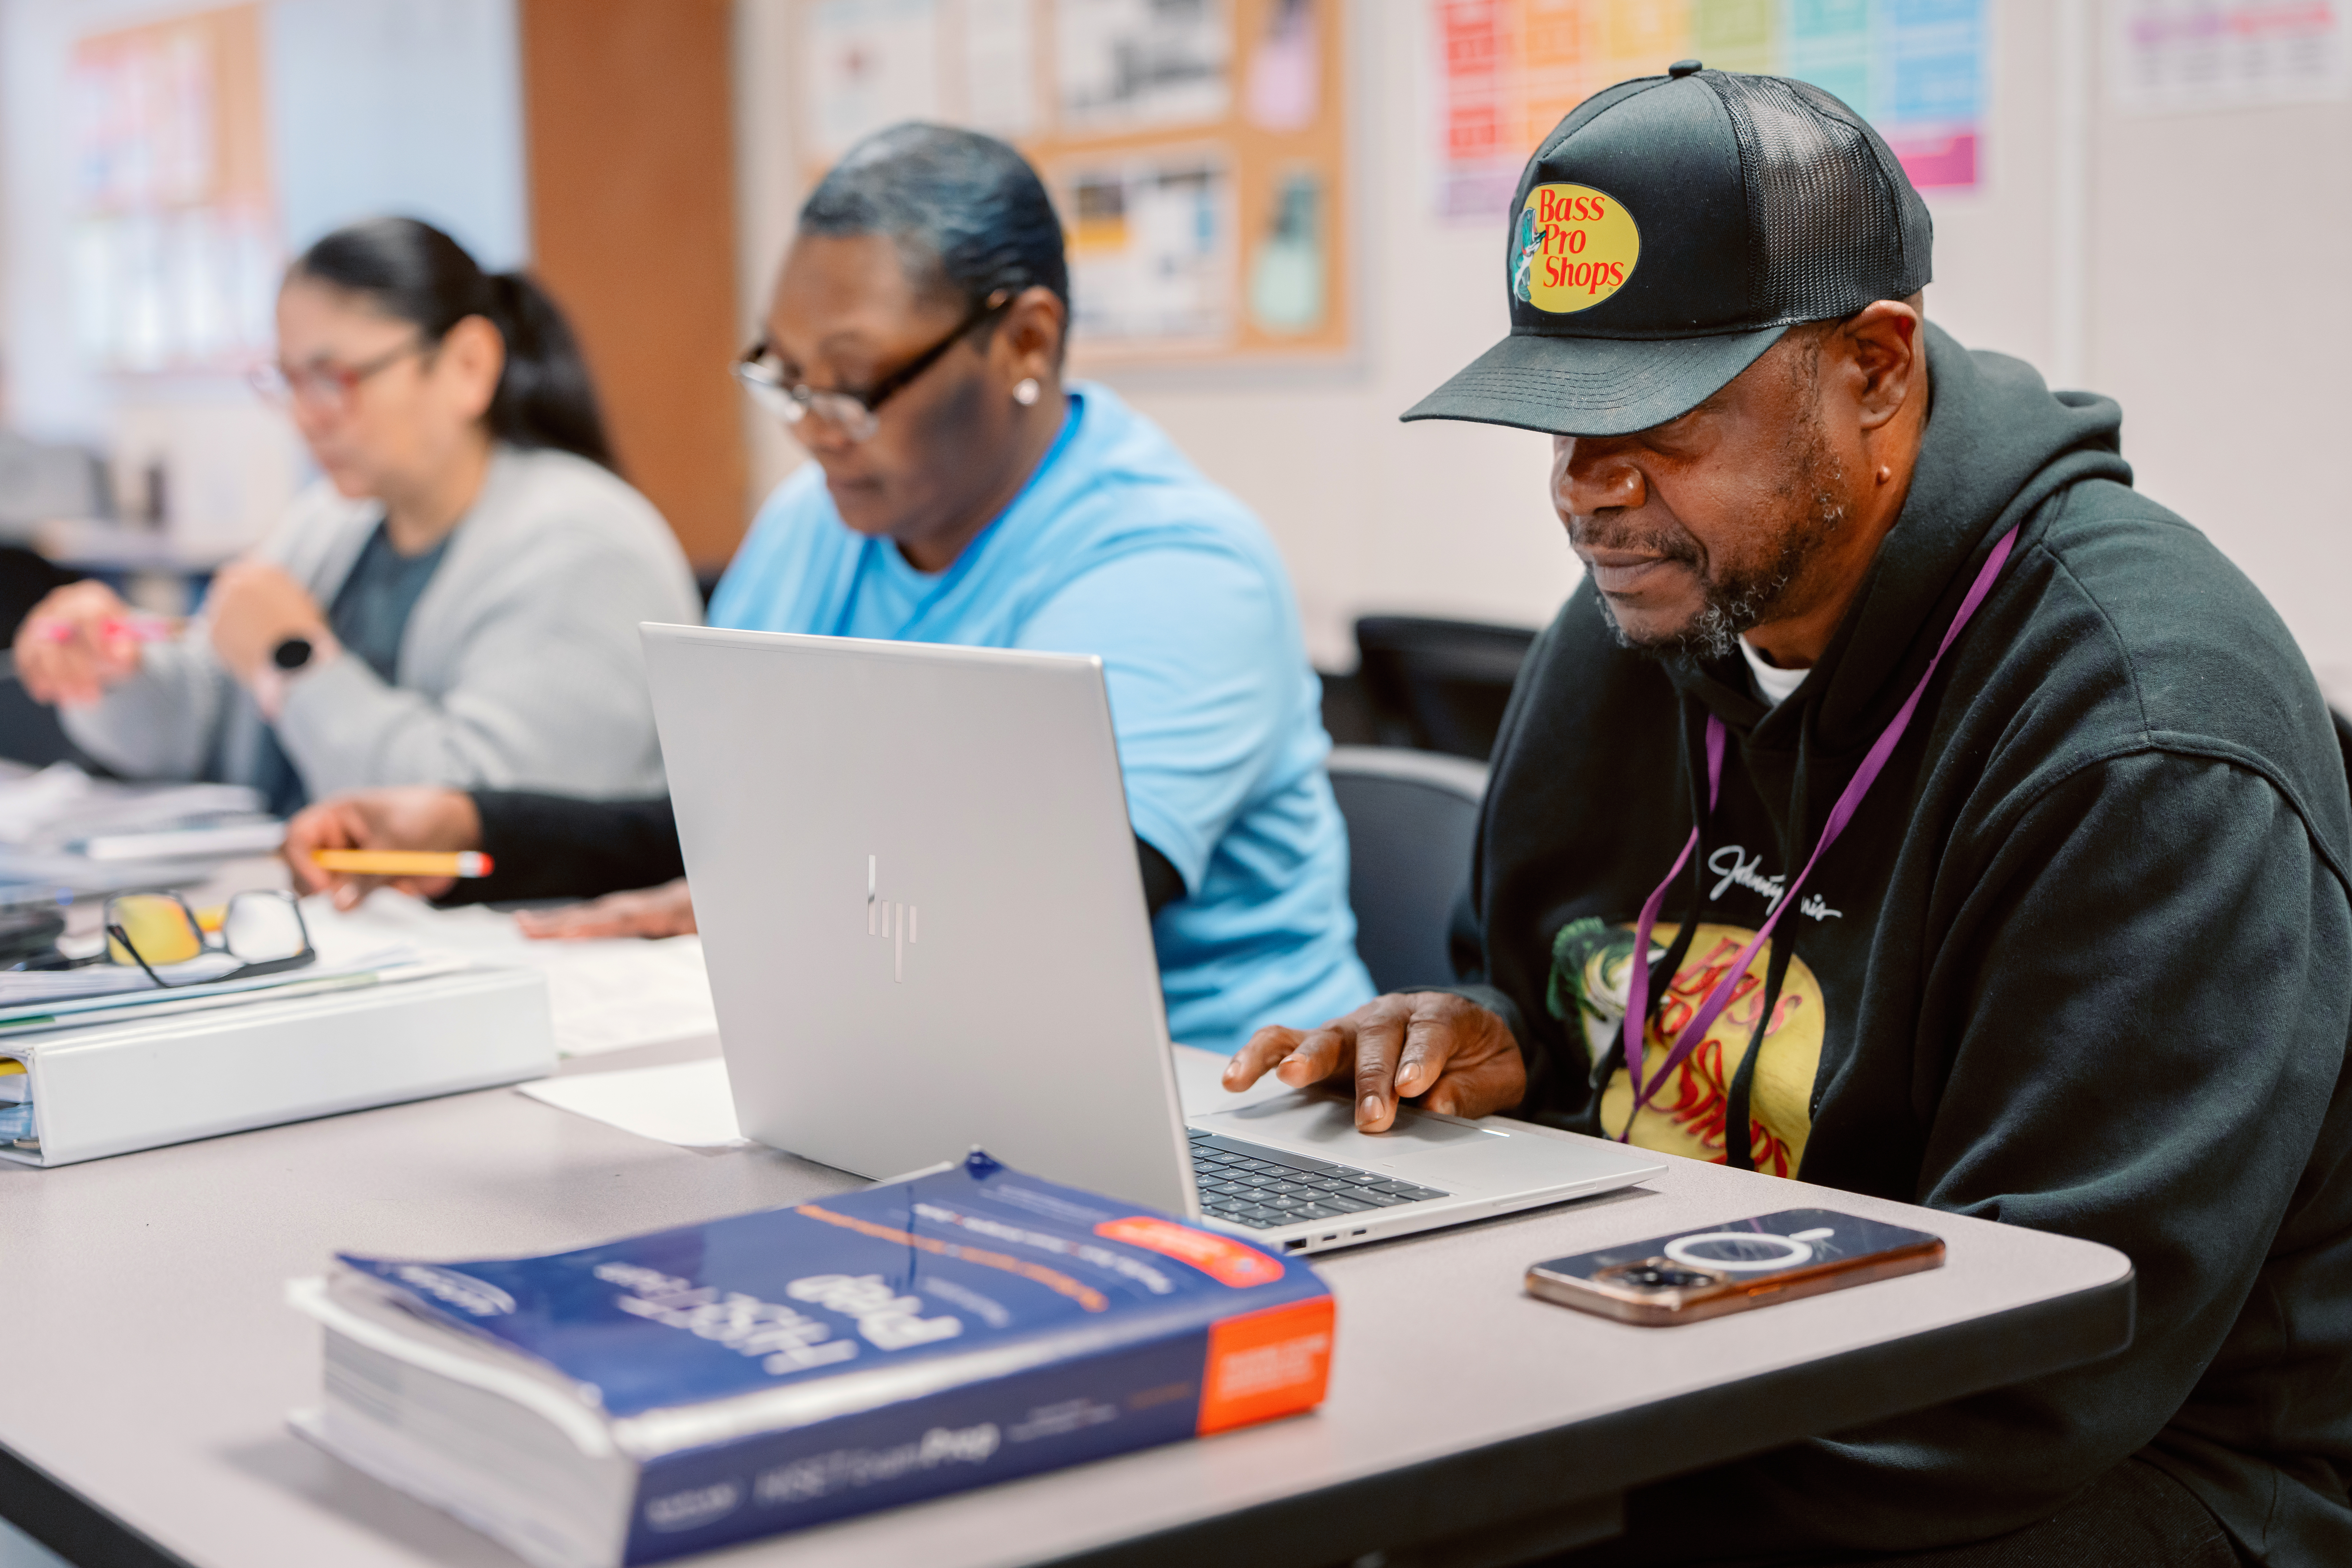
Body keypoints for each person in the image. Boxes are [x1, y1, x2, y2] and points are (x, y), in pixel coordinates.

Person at [1225, 65, 2352, 1567]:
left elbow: (2050, 1349)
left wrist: (1555, 1478)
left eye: (1654, 422)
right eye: (1555, 423)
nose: (1581, 491)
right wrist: (1510, 1036)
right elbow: (1600, 1031)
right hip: (1709, 1348)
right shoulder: (1643, 612)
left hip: (2121, 1457)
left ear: (1874, 367)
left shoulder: (2144, 734)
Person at [286, 125, 1375, 1058]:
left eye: (848, 386)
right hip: (903, 1060)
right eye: (784, 376)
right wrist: (476, 828)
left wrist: (746, 904)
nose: (809, 428)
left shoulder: (1174, 567)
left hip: (1208, 1095)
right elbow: (733, 825)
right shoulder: (821, 522)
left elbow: (1035, 904)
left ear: (1024, 341)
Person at [13, 218, 700, 813]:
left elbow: (479, 813)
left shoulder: (586, 544)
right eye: (289, 381)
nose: (308, 416)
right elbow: (203, 723)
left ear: (468, 364)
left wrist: (294, 659)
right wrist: (112, 672)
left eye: (336, 378)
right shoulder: (331, 523)